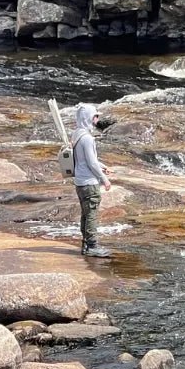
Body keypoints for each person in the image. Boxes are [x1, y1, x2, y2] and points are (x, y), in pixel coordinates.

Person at [72, 103, 113, 257]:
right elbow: (91, 162)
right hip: (89, 183)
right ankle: (92, 246)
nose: (97, 120)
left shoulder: (77, 134)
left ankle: (85, 244)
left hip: (80, 182)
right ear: (88, 118)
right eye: (95, 116)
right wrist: (104, 180)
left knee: (85, 213)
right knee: (91, 215)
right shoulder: (88, 138)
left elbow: (87, 159)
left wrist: (103, 166)